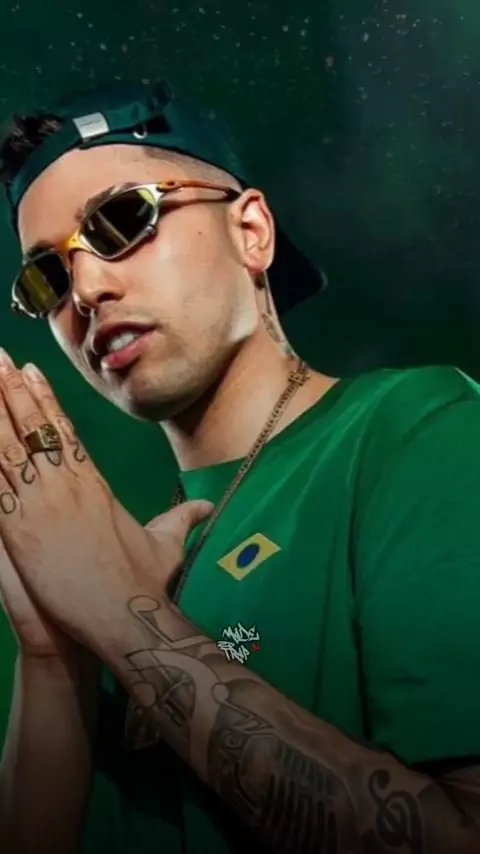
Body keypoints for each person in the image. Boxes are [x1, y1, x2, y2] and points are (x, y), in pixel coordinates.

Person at [0, 78, 479, 854]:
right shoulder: (118, 553)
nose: (86, 288)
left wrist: (119, 612)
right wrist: (53, 653)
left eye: (122, 220)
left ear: (251, 231)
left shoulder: (417, 429)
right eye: (46, 276)